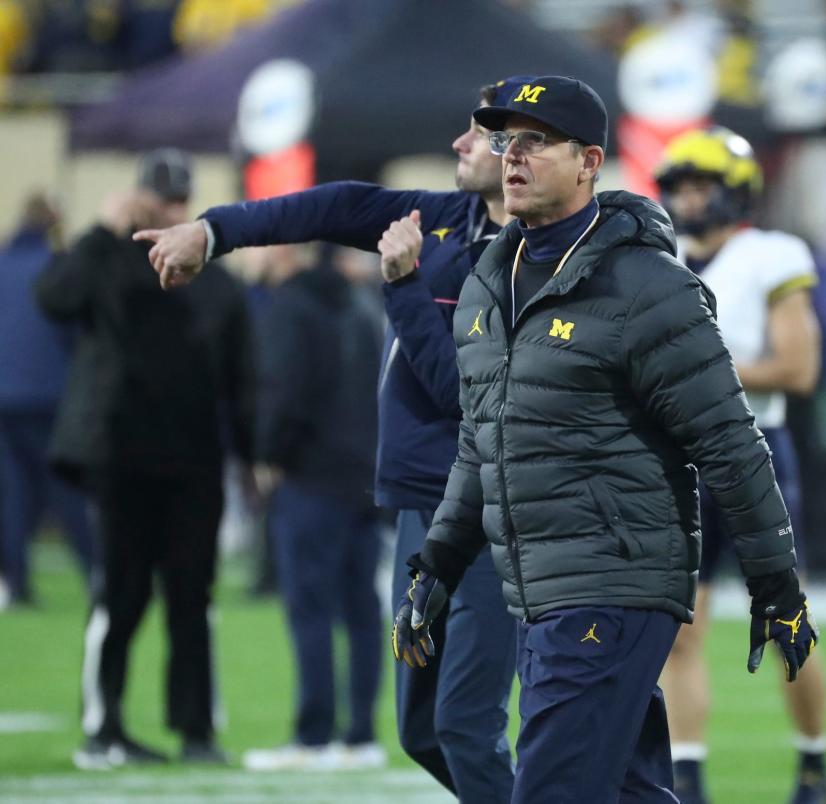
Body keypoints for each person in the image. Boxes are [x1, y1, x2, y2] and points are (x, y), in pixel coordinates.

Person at [387, 75, 819, 804]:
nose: (512, 156)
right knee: (624, 792)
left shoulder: (648, 286)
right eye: (504, 141)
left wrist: (775, 582)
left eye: (535, 142)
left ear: (589, 161)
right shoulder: (492, 279)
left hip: (613, 585)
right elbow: (481, 443)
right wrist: (436, 566)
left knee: (550, 791)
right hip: (541, 590)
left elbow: (730, 444)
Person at [133, 78, 533, 799]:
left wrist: (403, 283)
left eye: (478, 133)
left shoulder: (532, 261)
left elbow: (459, 392)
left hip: (491, 508)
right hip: (420, 505)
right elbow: (334, 205)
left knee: (467, 726)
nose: (459, 142)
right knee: (422, 733)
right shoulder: (450, 217)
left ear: (517, 155)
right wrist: (213, 232)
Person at [35, 149, 253, 769]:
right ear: (138, 198)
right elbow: (53, 297)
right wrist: (102, 232)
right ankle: (104, 729)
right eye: (161, 198)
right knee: (121, 595)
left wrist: (252, 454)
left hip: (193, 463)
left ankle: (196, 731)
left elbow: (241, 376)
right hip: (120, 458)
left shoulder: (216, 280)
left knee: (192, 599)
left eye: (180, 200)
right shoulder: (107, 261)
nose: (170, 210)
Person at [652, 126, 826, 804]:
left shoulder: (771, 255)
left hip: (754, 452)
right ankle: (687, 776)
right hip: (680, 464)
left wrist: (704, 376)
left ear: (737, 192)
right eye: (681, 188)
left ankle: (815, 762)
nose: (690, 201)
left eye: (703, 187)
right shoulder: (659, 257)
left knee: (788, 623)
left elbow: (799, 367)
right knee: (678, 634)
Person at [241, 244, 386, 770]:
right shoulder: (361, 302)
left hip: (310, 477)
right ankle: (362, 736)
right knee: (363, 611)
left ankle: (314, 735)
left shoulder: (289, 307)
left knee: (311, 610)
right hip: (364, 477)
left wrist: (268, 456)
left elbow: (282, 389)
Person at [0, 193, 95, 608]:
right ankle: (97, 571)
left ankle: (16, 583)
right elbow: (76, 336)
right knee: (65, 487)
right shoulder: (58, 267)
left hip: (3, 399)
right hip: (49, 396)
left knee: (13, 494)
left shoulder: (1, 265)